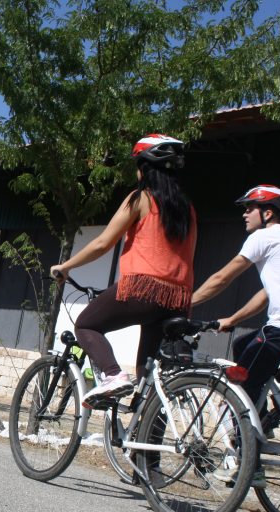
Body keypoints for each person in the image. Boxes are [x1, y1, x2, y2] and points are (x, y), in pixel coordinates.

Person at [50, 134, 197, 408]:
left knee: (85, 324)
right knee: (148, 376)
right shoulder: (187, 210)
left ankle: (113, 375)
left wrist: (65, 266)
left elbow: (104, 243)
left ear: (144, 168)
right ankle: (146, 447)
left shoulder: (140, 199)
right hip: (178, 299)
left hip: (144, 289)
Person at [191, 184, 280, 410]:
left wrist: (185, 304)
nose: (244, 214)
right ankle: (261, 419)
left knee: (239, 388)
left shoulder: (264, 237)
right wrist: (232, 320)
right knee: (243, 345)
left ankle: (246, 437)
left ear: (268, 213)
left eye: (249, 208)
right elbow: (265, 296)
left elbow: (223, 277)